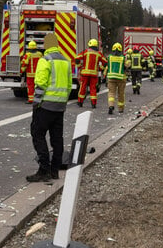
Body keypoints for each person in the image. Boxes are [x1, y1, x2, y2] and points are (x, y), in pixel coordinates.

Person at [27, 33, 72, 182]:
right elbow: (69, 85)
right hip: (60, 107)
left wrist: (36, 103)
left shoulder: (45, 60)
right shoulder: (66, 61)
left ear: (46, 45)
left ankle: (43, 169)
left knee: (38, 134)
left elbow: (40, 84)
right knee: (57, 139)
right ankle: (54, 171)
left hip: (45, 106)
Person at [75, 38, 106, 107]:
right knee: (93, 88)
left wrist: (79, 67)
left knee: (83, 87)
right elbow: (105, 62)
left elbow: (77, 59)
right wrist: (100, 69)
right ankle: (93, 103)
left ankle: (80, 102)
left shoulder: (85, 52)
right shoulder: (99, 54)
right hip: (94, 74)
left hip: (85, 74)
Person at [106, 42, 127, 114]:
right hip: (121, 78)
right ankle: (120, 109)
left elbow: (107, 66)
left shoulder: (109, 57)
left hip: (111, 78)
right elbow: (127, 66)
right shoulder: (123, 58)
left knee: (111, 93)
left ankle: (111, 106)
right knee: (121, 94)